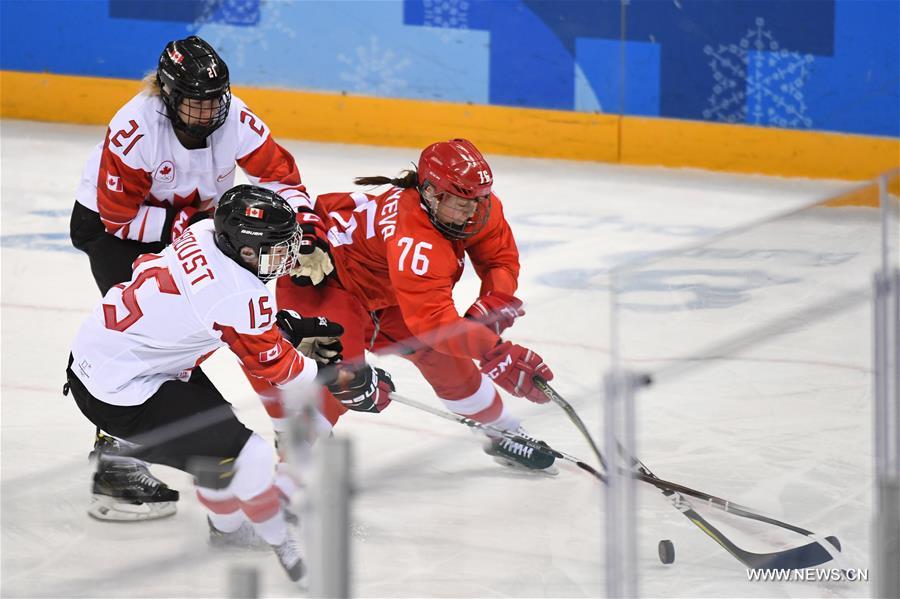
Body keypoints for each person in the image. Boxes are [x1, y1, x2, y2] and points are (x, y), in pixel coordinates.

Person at [63, 185, 389, 582]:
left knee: (221, 437)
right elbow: (278, 369)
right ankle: (223, 527)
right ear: (246, 250)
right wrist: (340, 376)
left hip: (104, 352)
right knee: (241, 451)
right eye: (277, 248)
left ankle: (206, 505)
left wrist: (280, 328)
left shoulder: (204, 233)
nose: (287, 258)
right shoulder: (238, 292)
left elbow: (216, 315)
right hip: (123, 391)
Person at [68, 35, 312, 520]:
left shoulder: (236, 118)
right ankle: (118, 459)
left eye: (214, 100)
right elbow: (118, 219)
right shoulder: (135, 129)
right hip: (117, 232)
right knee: (154, 346)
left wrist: (304, 234)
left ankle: (217, 459)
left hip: (197, 227)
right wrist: (198, 228)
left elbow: (284, 180)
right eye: (194, 102)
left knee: (192, 329)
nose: (207, 112)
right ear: (166, 94)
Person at [275, 138, 558, 471]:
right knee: (343, 382)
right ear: (429, 193)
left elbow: (500, 258)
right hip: (322, 285)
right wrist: (492, 349)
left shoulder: (477, 207)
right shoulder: (415, 239)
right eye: (459, 202)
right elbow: (433, 324)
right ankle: (291, 473)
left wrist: (494, 299)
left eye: (478, 200)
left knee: (444, 360)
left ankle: (503, 431)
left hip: (387, 293)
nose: (471, 212)